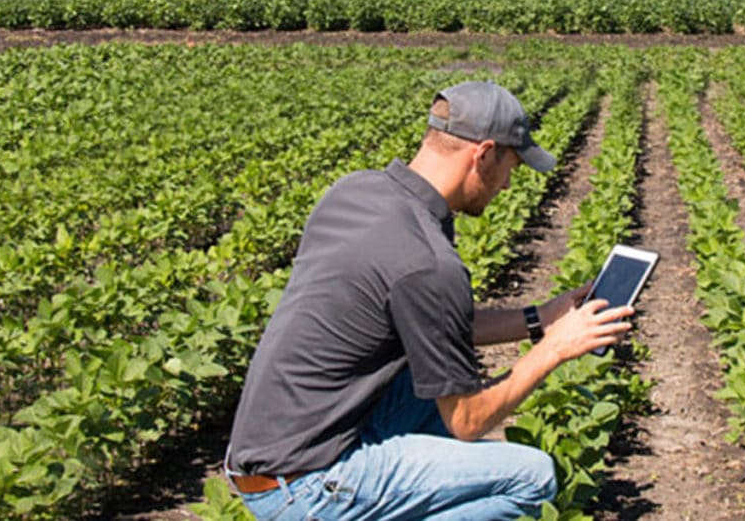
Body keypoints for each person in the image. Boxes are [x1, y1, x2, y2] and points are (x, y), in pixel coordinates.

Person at [223, 80, 635, 520]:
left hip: (268, 451)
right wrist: (553, 349)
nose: (510, 185)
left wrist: (542, 318)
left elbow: (438, 321)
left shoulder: (359, 191)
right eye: (511, 166)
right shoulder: (428, 261)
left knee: (427, 395)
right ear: (483, 154)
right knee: (531, 476)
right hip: (306, 485)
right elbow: (468, 420)